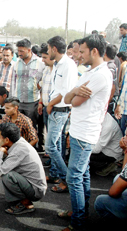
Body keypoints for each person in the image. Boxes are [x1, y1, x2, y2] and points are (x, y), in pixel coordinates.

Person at [51, 34, 112, 231]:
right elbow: (70, 98)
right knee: (82, 175)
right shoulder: (89, 71)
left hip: (85, 133)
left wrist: (73, 93)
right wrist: (74, 91)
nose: (78, 55)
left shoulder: (99, 75)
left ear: (94, 51)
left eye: (82, 51)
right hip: (79, 130)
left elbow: (73, 101)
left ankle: (77, 225)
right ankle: (80, 213)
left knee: (74, 177)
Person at [44, 36, 78, 193]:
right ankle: (55, 174)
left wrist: (50, 104)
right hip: (55, 110)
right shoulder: (58, 64)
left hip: (60, 110)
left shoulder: (68, 65)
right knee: (55, 145)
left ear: (54, 49)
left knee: (50, 146)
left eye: (49, 49)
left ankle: (66, 179)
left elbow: (66, 92)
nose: (48, 51)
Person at [0, 123, 46, 214]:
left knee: (7, 175)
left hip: (36, 191)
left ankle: (26, 204)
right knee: (7, 169)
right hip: (34, 185)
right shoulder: (19, 142)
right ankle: (20, 199)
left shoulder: (19, 150)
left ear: (7, 139)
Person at [11, 38, 45, 152]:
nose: (19, 53)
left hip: (33, 101)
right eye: (18, 51)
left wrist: (39, 88)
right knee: (19, 126)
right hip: (20, 100)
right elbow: (14, 82)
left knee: (32, 127)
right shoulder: (17, 63)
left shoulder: (40, 63)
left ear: (29, 50)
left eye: (22, 51)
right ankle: (21, 149)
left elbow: (43, 80)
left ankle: (33, 150)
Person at [104, 44, 119, 114]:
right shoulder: (111, 65)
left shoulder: (110, 67)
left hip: (110, 98)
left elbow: (112, 86)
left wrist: (107, 102)